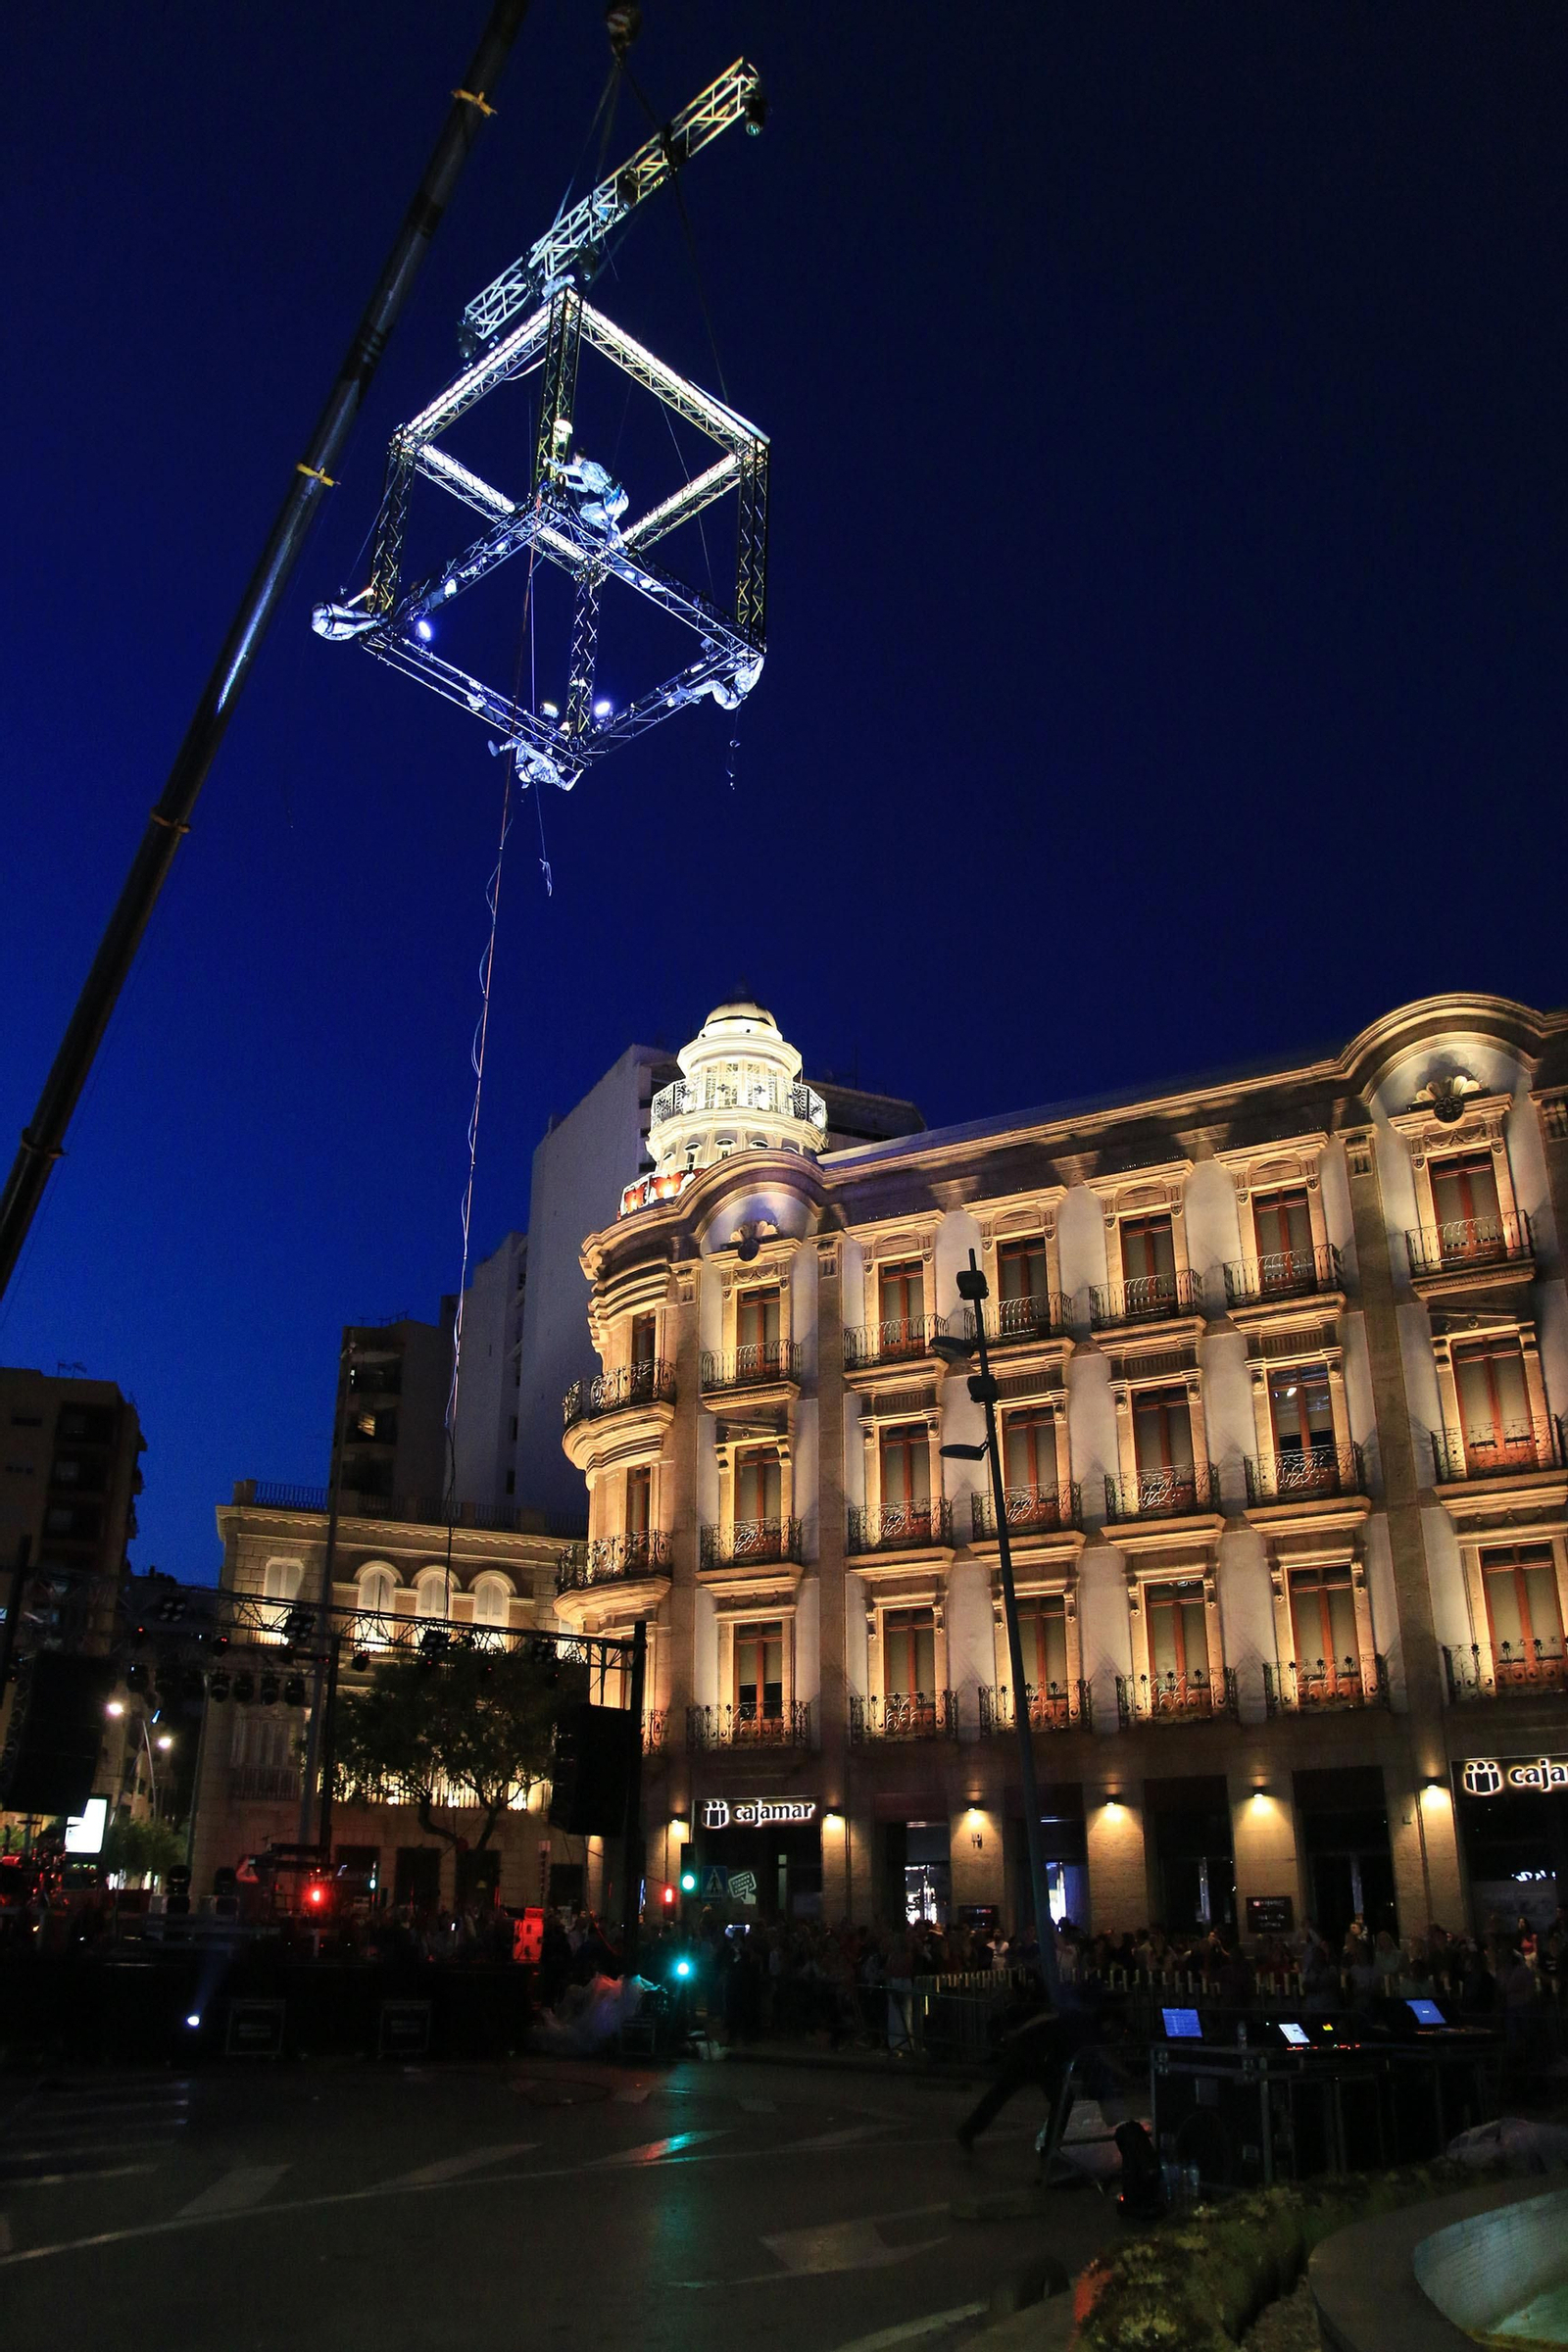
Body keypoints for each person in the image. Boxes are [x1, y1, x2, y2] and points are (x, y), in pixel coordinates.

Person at [956, 1976, 1132, 2153]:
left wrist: (1018, 2032)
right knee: (1061, 2099)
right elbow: (1105, 2055)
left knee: (1001, 2092)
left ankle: (968, 2131)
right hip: (1043, 2057)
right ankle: (1051, 2146)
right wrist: (1128, 2075)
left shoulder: (1077, 2016)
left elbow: (1045, 2017)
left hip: (1031, 2051)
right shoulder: (1089, 2027)